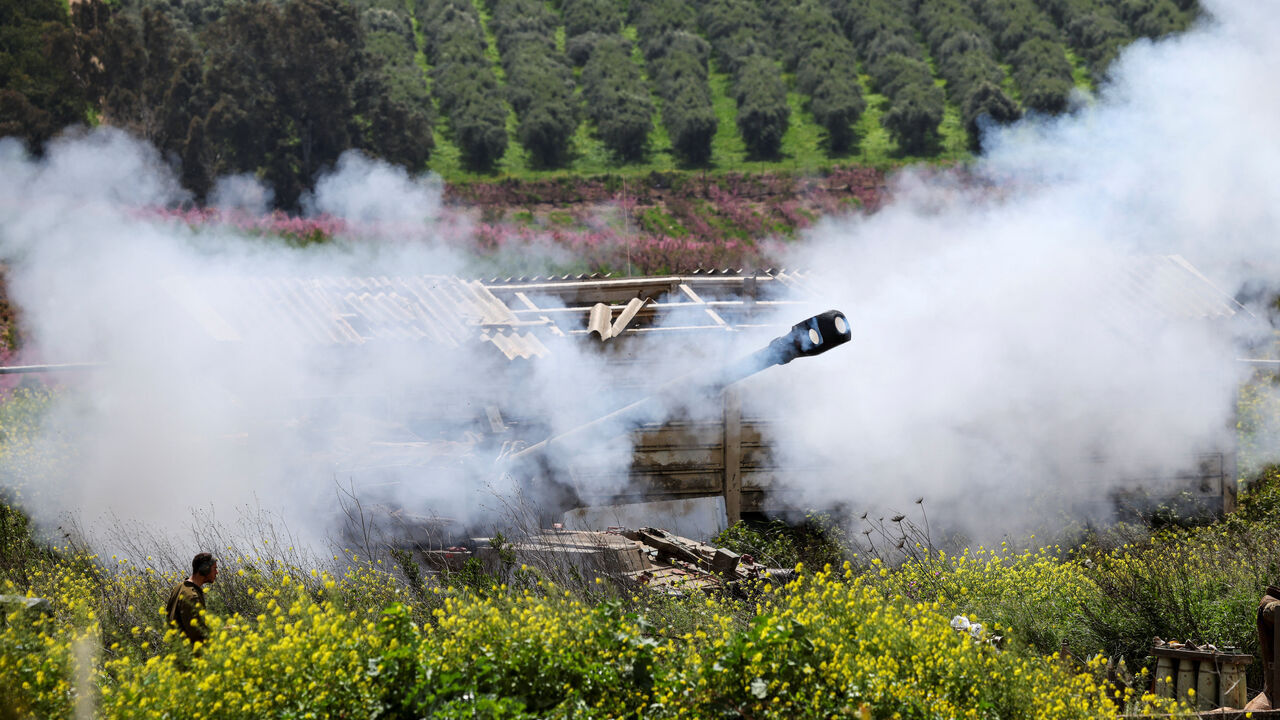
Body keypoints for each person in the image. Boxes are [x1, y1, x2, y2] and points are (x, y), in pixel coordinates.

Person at [166, 552, 217, 646]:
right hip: (190, 655)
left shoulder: (179, 587)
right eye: (215, 569)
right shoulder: (192, 597)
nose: (217, 572)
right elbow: (198, 634)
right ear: (205, 569)